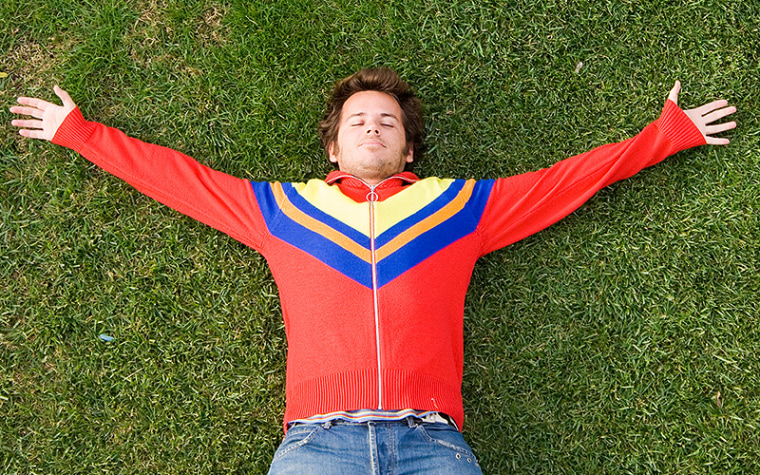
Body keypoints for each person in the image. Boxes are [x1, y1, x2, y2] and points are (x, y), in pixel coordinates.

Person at [10, 67, 736, 474]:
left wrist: (665, 136)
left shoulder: (457, 207)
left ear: (409, 150)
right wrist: (81, 134)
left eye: (387, 121)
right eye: (358, 119)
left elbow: (564, 182)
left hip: (434, 444)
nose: (372, 126)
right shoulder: (280, 211)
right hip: (314, 445)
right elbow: (181, 180)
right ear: (332, 146)